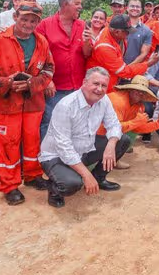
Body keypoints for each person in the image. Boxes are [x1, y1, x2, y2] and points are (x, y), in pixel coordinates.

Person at [0, 1, 55, 204]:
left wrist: (32, 84)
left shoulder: (41, 41)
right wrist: (6, 83)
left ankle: (32, 175)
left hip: (33, 102)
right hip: (6, 103)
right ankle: (9, 186)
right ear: (15, 17)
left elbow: (48, 68)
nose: (28, 24)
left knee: (32, 140)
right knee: (7, 144)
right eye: (24, 19)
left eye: (33, 21)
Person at [39, 67, 131, 208]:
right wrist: (86, 175)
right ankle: (54, 190)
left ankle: (98, 179)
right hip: (56, 156)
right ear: (84, 82)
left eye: (103, 85)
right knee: (72, 184)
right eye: (95, 84)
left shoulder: (104, 100)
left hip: (84, 149)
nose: (99, 89)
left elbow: (114, 124)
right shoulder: (66, 105)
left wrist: (111, 144)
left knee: (122, 140)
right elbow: (64, 148)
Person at [36, 0, 90, 139]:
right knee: (49, 121)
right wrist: (47, 81)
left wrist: (87, 42)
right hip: (55, 87)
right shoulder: (45, 25)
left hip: (78, 86)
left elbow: (86, 54)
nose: (80, 7)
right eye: (77, 3)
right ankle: (47, 158)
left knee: (75, 122)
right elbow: (38, 56)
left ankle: (69, 157)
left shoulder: (81, 25)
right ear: (65, 4)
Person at [105, 75, 159, 168]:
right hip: (94, 133)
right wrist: (136, 121)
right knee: (124, 138)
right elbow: (111, 127)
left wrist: (158, 123)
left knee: (127, 137)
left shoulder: (138, 106)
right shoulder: (118, 101)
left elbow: (137, 128)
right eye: (136, 89)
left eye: (142, 92)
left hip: (108, 133)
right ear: (130, 89)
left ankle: (113, 161)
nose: (139, 93)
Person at [87, 15, 149, 86]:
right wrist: (147, 64)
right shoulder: (104, 47)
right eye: (127, 32)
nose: (128, 34)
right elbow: (123, 72)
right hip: (101, 86)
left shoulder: (111, 30)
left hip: (109, 79)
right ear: (117, 32)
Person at [123, 0, 153, 65]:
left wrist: (128, 68)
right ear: (127, 8)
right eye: (132, 6)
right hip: (116, 67)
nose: (135, 8)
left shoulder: (146, 30)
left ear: (141, 9)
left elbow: (144, 54)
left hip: (135, 69)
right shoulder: (118, 25)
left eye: (137, 7)